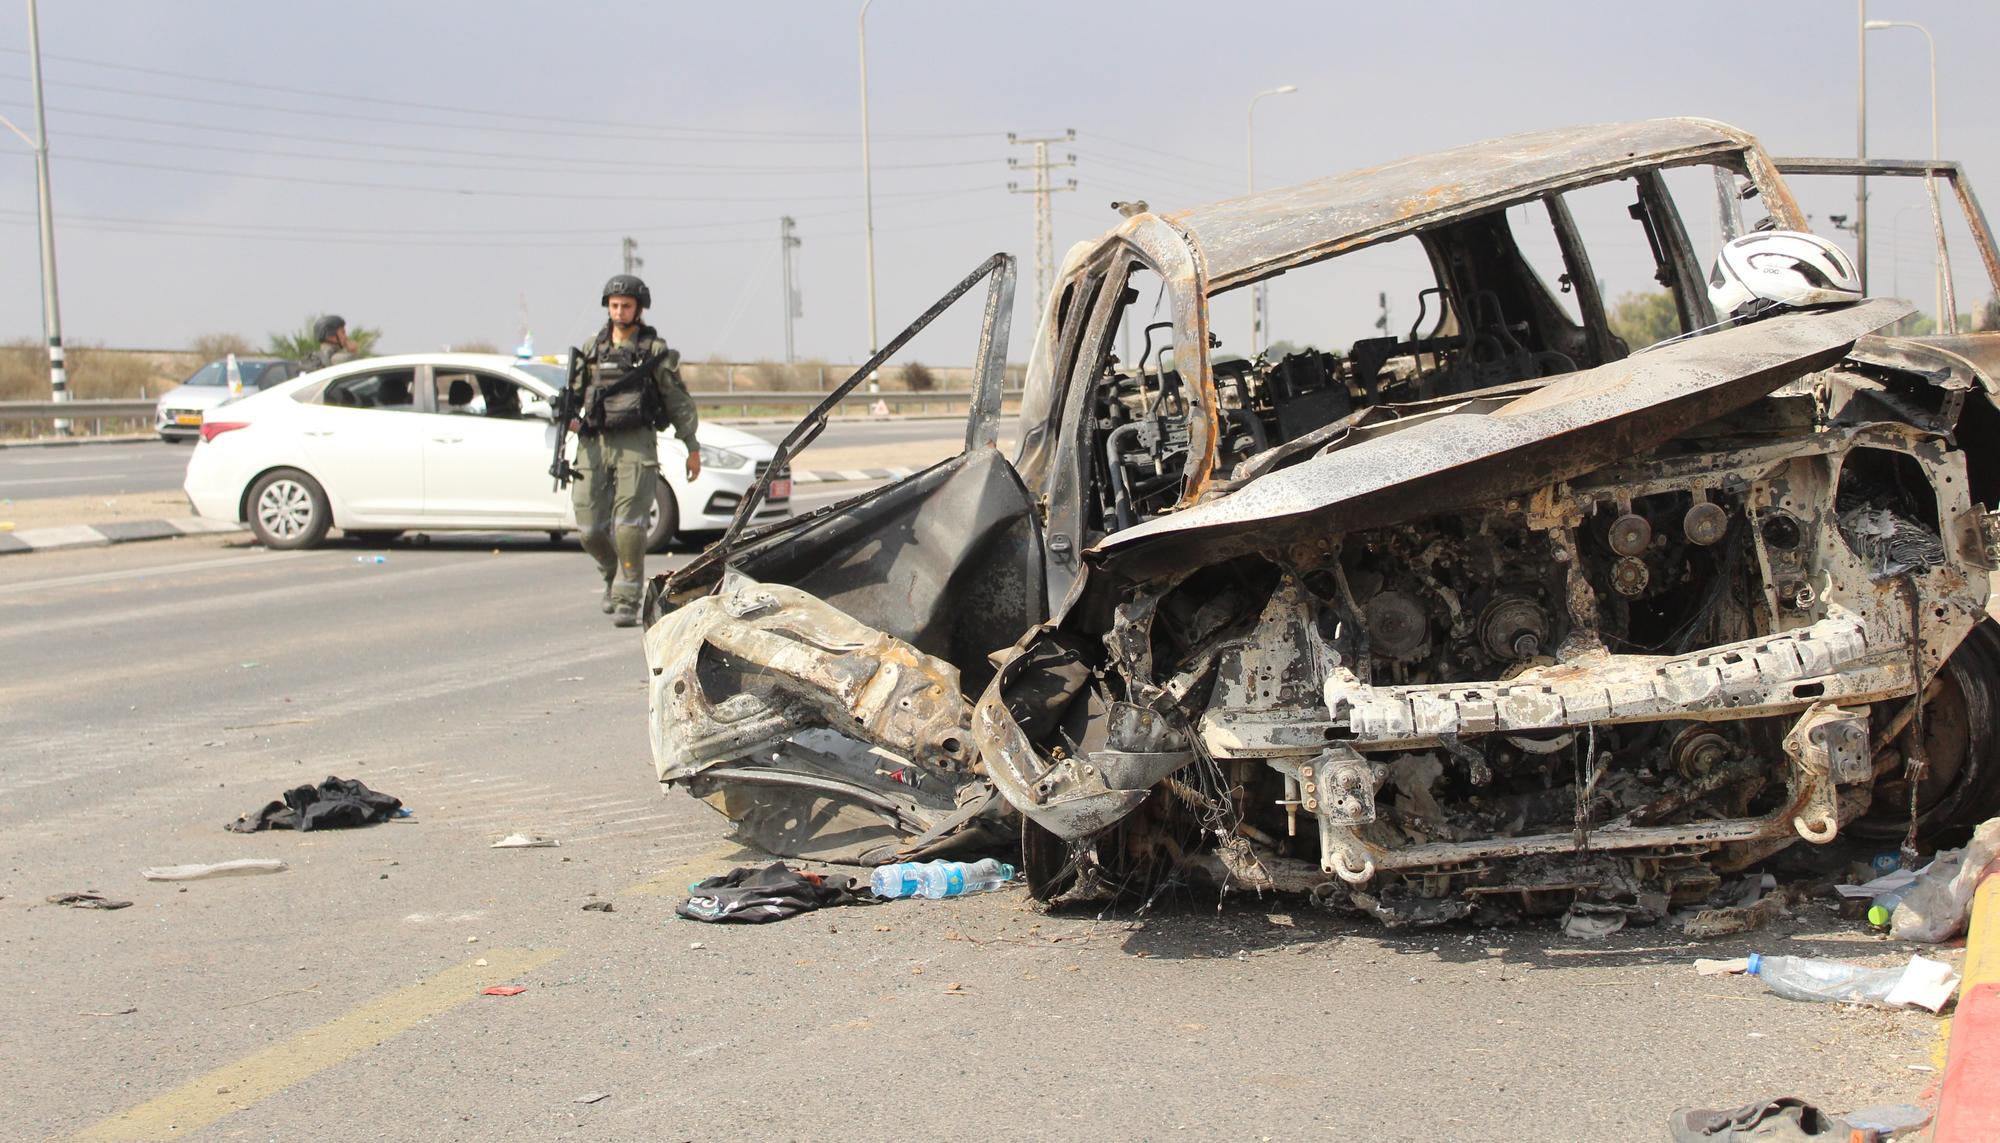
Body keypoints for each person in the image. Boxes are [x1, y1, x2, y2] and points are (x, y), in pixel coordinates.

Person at [566, 273, 700, 628]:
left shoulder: (653, 351)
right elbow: (574, 396)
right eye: (614, 305)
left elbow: (677, 400)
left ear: (638, 309)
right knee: (589, 528)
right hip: (594, 444)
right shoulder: (591, 349)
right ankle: (612, 573)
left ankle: (627, 596)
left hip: (636, 445)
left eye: (626, 306)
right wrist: (565, 414)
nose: (619, 312)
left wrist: (691, 445)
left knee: (629, 525)